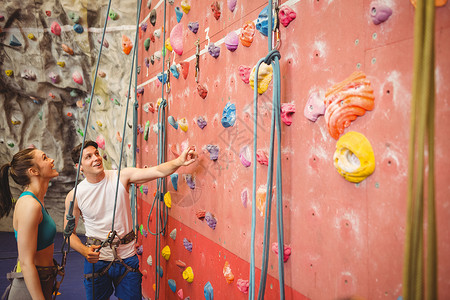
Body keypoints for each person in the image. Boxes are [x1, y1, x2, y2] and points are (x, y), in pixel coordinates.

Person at [64, 140, 197, 300]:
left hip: (127, 258)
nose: (96, 158)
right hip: (97, 261)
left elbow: (158, 171)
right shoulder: (75, 196)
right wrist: (84, 251)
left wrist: (179, 161)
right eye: (89, 157)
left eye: (97, 153)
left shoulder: (121, 177)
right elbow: (68, 234)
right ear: (80, 167)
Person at [0, 147, 60, 300]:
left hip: (42, 279)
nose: (51, 160)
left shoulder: (36, 201)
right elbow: (26, 262)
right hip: (30, 286)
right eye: (45, 158)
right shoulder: (30, 205)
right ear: (33, 171)